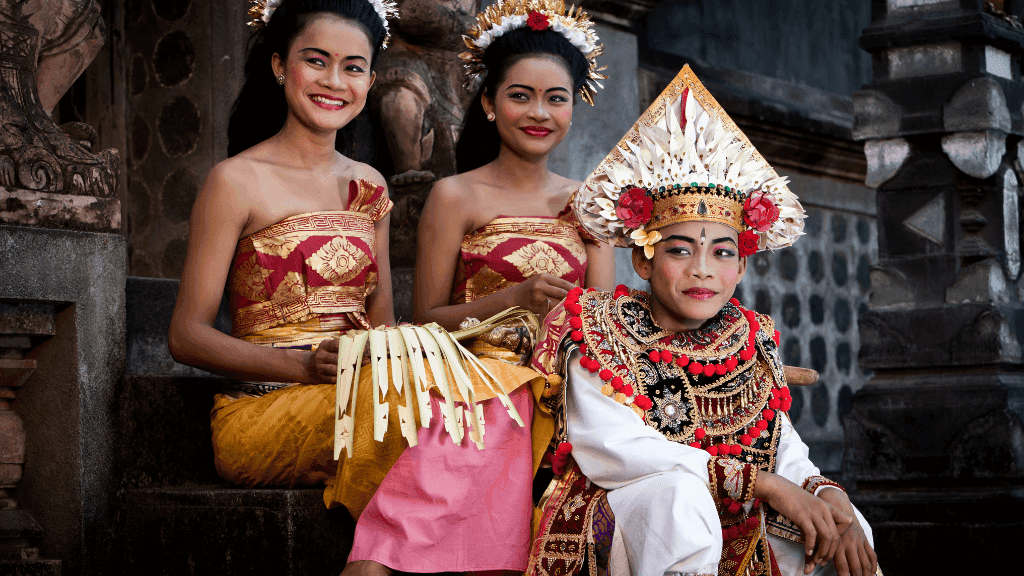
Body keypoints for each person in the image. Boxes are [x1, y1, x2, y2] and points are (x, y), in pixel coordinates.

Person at [526, 66, 880, 576]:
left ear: (740, 267)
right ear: (643, 262)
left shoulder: (748, 339)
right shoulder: (603, 330)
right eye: (680, 250)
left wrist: (826, 494)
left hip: (736, 511)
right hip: (635, 513)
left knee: (844, 529)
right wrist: (761, 484)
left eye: (720, 252)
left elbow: (783, 447)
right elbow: (615, 449)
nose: (701, 270)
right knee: (680, 499)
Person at [342, 1, 614, 574]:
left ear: (574, 107)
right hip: (474, 379)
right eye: (520, 95)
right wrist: (510, 300)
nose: (538, 112)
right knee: (485, 423)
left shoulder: (588, 202)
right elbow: (424, 320)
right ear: (489, 103)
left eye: (555, 98)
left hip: (567, 384)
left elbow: (602, 324)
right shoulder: (455, 196)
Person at [167, 0, 405, 515]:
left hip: (364, 395)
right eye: (316, 61)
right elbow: (186, 335)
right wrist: (302, 367)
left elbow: (383, 327)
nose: (335, 81)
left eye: (353, 67)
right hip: (262, 409)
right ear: (279, 66)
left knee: (479, 404)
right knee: (410, 418)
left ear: (369, 81)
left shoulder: (371, 185)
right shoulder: (235, 180)